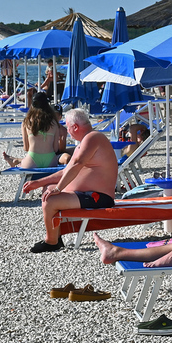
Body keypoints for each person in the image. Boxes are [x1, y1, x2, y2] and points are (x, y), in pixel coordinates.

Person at [23, 108, 118, 253]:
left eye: (68, 127)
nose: (67, 131)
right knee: (47, 189)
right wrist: (39, 183)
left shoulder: (93, 138)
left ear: (75, 127)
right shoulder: (86, 140)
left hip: (99, 197)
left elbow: (76, 164)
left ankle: (52, 241)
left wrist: (58, 188)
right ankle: (56, 236)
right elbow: (66, 170)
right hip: (86, 194)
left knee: (51, 200)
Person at [3, 93, 60, 169]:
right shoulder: (54, 122)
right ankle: (16, 161)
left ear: (32, 105)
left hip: (33, 158)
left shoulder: (26, 122)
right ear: (47, 104)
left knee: (23, 169)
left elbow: (26, 148)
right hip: (50, 160)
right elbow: (55, 149)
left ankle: (16, 161)